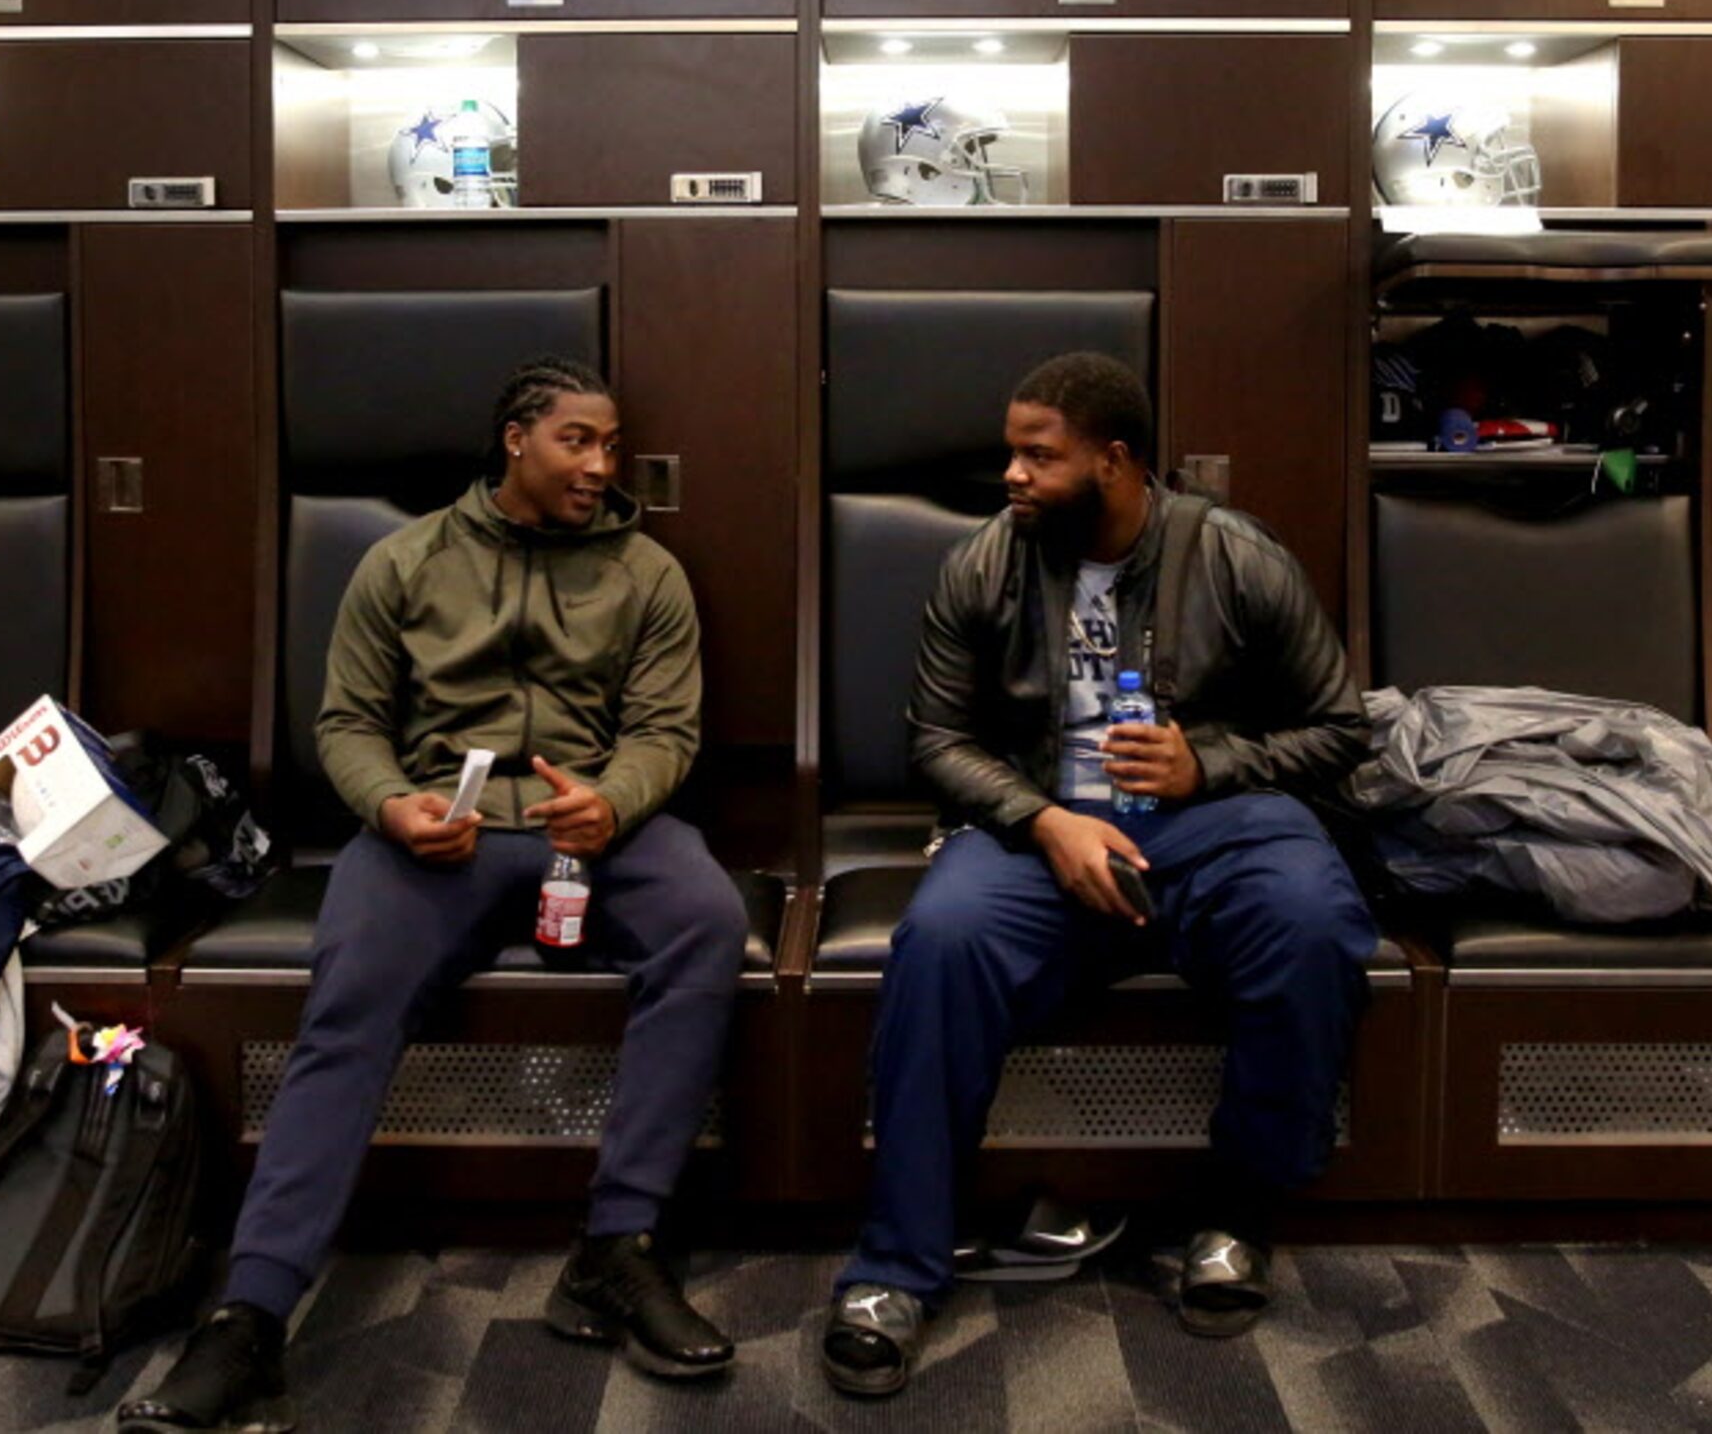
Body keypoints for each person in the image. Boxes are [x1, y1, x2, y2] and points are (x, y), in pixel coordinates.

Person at [123, 357, 748, 1433]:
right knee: (349, 995)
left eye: (609, 446)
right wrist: (387, 807)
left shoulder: (647, 574)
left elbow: (664, 732)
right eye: (577, 442)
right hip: (436, 835)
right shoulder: (402, 563)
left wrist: (613, 799)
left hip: (586, 828)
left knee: (707, 919)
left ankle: (618, 1246)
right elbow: (346, 726)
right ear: (516, 439)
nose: (599, 465)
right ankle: (251, 1313)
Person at [822, 351, 1377, 1398]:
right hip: (1036, 829)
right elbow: (933, 740)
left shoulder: (1233, 556)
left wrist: (1209, 762)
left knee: (1309, 918)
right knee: (939, 942)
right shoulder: (982, 565)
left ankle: (1235, 1218)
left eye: (1040, 457)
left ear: (1114, 462)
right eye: (1011, 455)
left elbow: (1340, 728)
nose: (1013, 477)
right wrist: (1040, 820)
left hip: (1210, 822)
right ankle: (895, 1267)